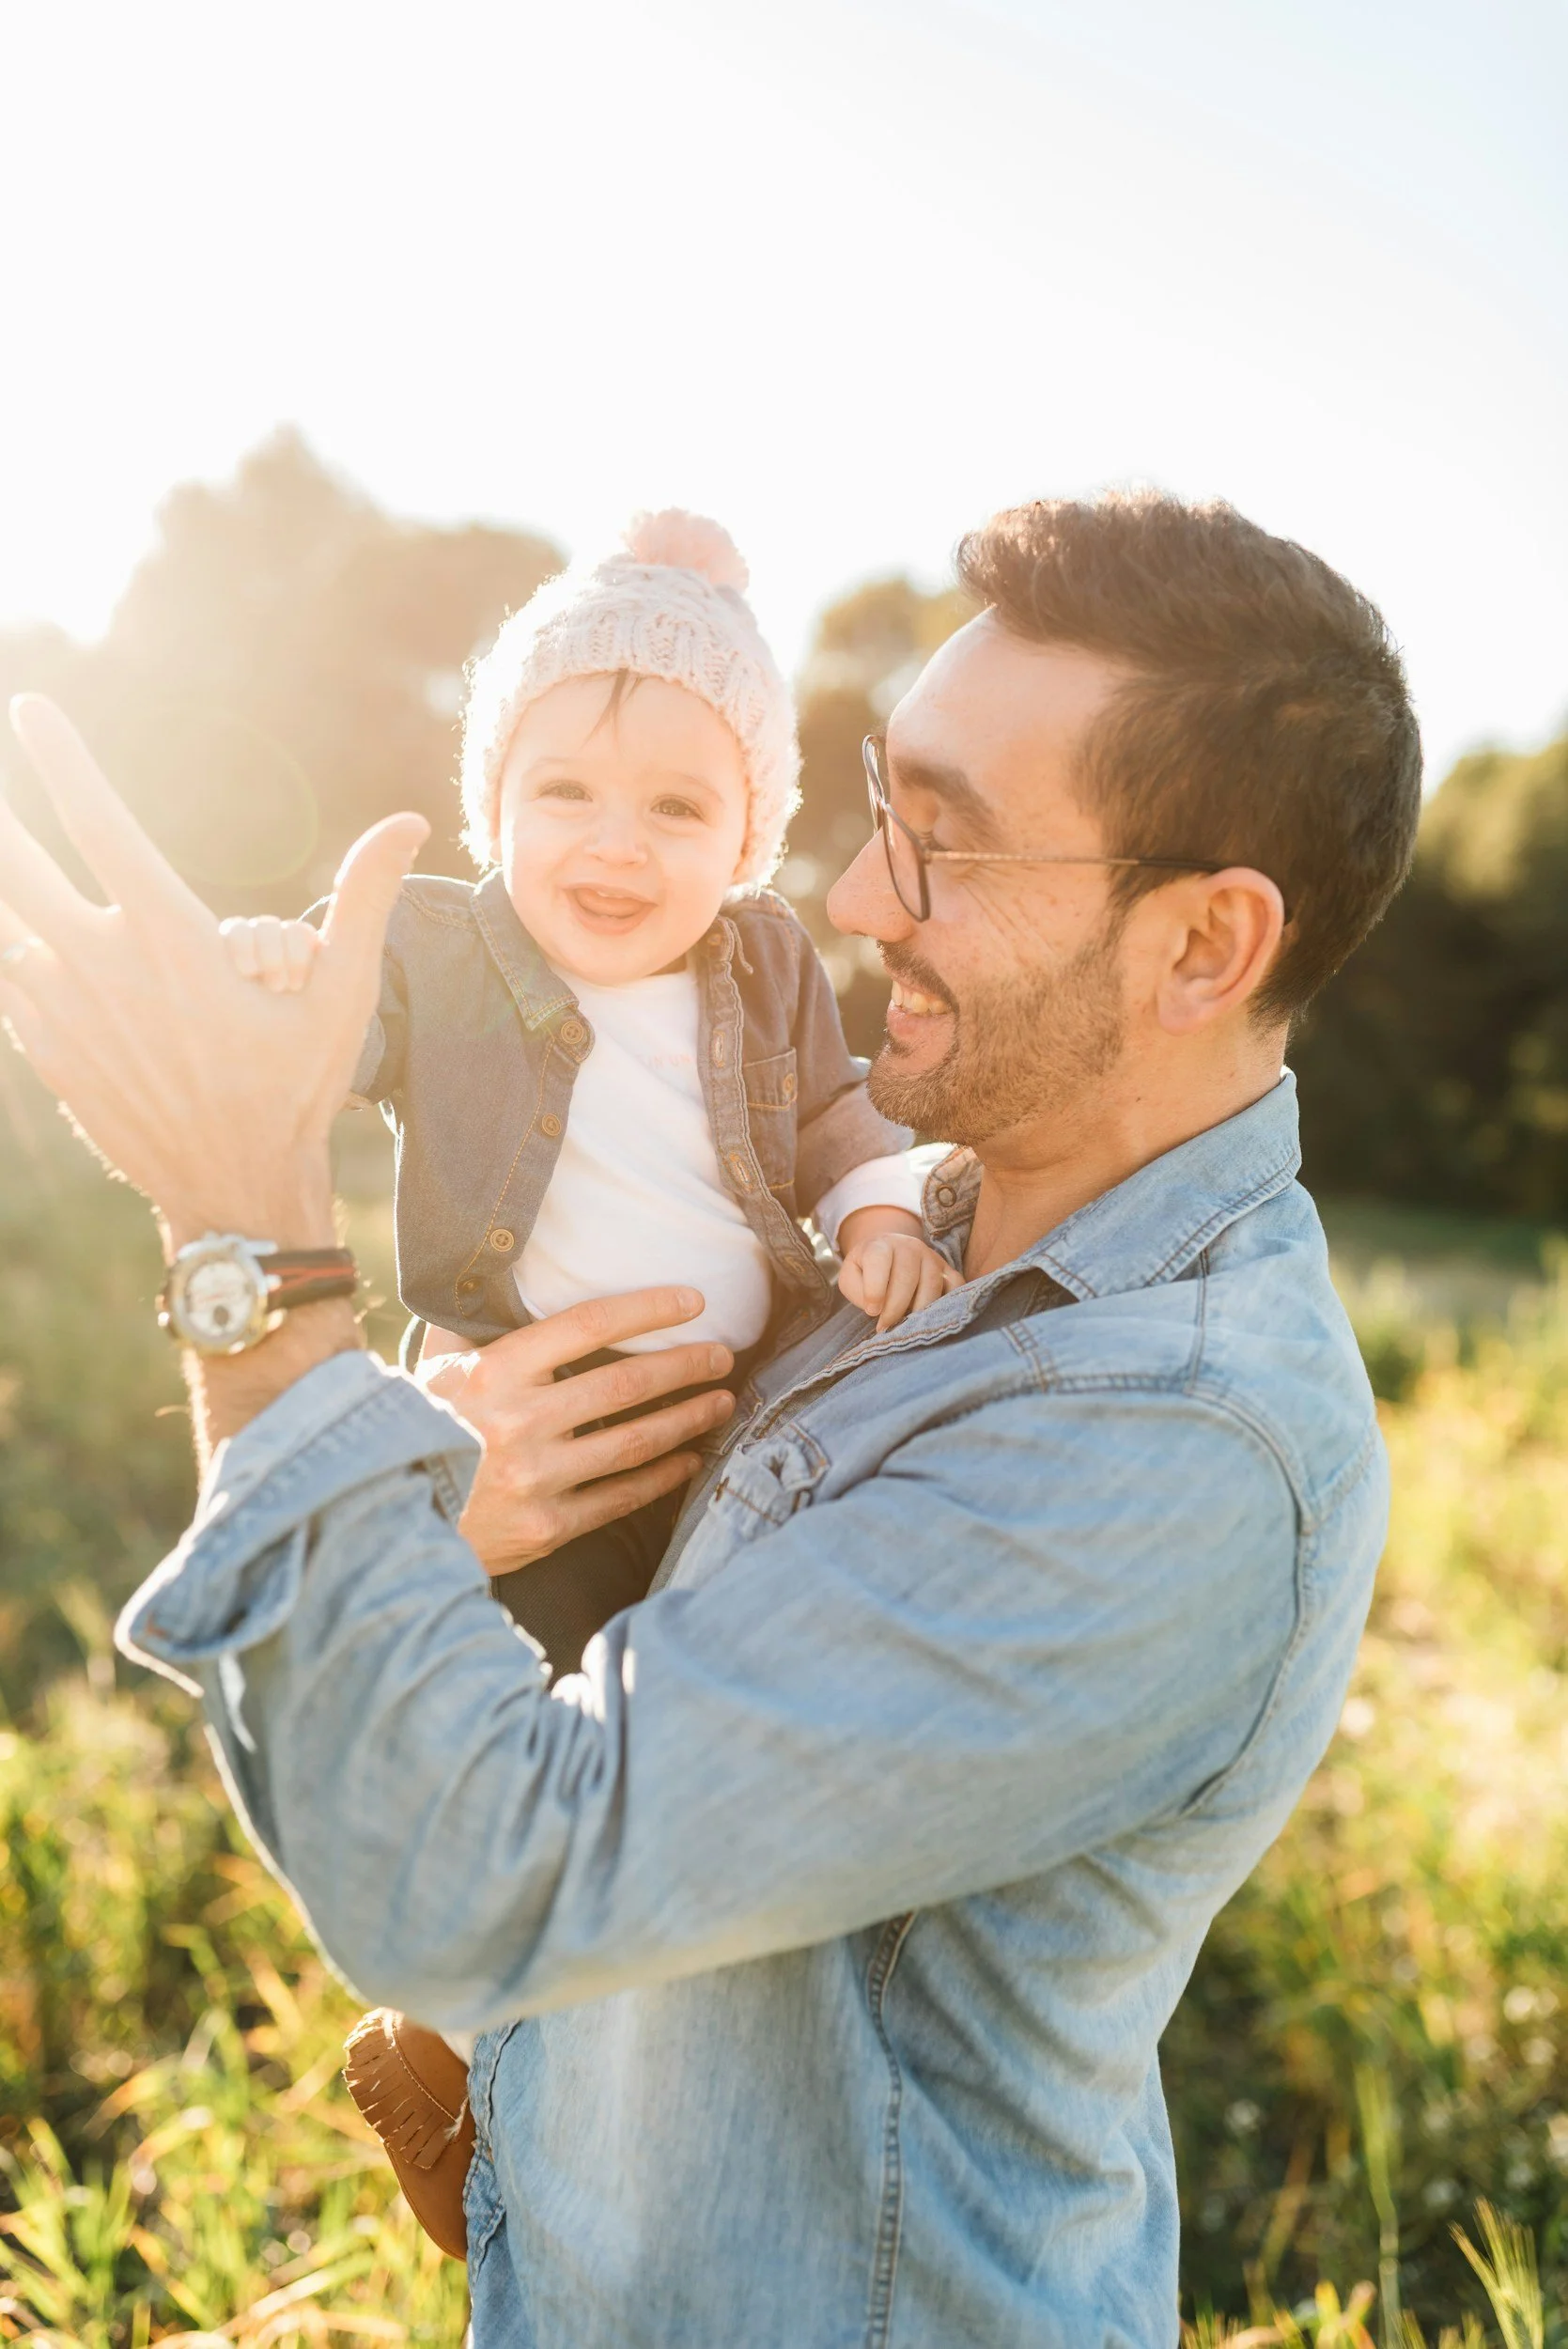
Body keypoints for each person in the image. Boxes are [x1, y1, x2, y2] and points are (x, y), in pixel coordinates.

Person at [0, 489, 1422, 2348]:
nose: (844, 895)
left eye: (944, 844)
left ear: (1202, 948)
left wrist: (242, 1228)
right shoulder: (928, 1224)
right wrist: (446, 1512)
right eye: (875, 803)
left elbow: (490, 1869)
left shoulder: (1170, 1434)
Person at [218, 506, 954, 1676]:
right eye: (566, 793)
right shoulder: (437, 951)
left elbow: (830, 1112)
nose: (617, 846)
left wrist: (880, 1217)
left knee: (736, 1666)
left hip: (740, 1422)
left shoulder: (764, 963)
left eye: (676, 808)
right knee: (541, 1668)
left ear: (744, 842)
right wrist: (275, 979)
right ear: (496, 804)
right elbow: (321, 1038)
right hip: (533, 1424)